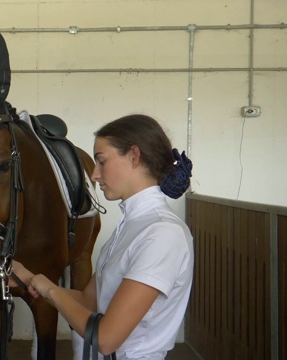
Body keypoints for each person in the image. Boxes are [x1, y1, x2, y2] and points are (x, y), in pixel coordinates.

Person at [11, 114, 194, 360]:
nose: (95, 175)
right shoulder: (130, 226)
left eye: (101, 161)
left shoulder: (162, 234)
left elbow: (107, 339)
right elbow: (88, 302)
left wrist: (49, 289)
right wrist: (30, 277)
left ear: (134, 156)